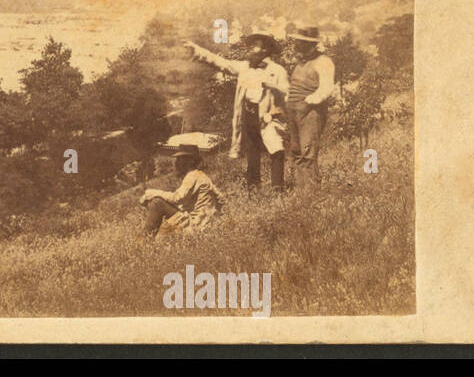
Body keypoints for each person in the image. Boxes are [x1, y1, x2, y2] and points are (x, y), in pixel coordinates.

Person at [185, 33, 290, 191]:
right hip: (249, 113)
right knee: (252, 151)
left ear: (265, 49)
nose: (250, 49)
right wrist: (198, 51)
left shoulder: (278, 70)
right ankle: (253, 188)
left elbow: (287, 91)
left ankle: (277, 188)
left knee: (276, 148)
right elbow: (221, 63)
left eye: (255, 45)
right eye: (251, 44)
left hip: (270, 115)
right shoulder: (244, 67)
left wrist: (271, 86)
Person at [285, 25, 337, 188]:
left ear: (311, 44)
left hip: (311, 113)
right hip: (293, 111)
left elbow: (327, 87)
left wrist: (310, 100)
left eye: (301, 42)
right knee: (296, 152)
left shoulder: (323, 62)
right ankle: (302, 192)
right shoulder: (300, 63)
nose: (297, 45)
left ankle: (312, 193)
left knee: (308, 152)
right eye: (297, 42)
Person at [140, 145, 223, 237]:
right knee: (160, 203)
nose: (176, 163)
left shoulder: (192, 175)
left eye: (180, 159)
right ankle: (152, 237)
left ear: (191, 161)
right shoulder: (201, 175)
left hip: (195, 226)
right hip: (204, 225)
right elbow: (221, 198)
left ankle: (144, 240)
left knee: (157, 203)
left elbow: (177, 198)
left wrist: (151, 193)